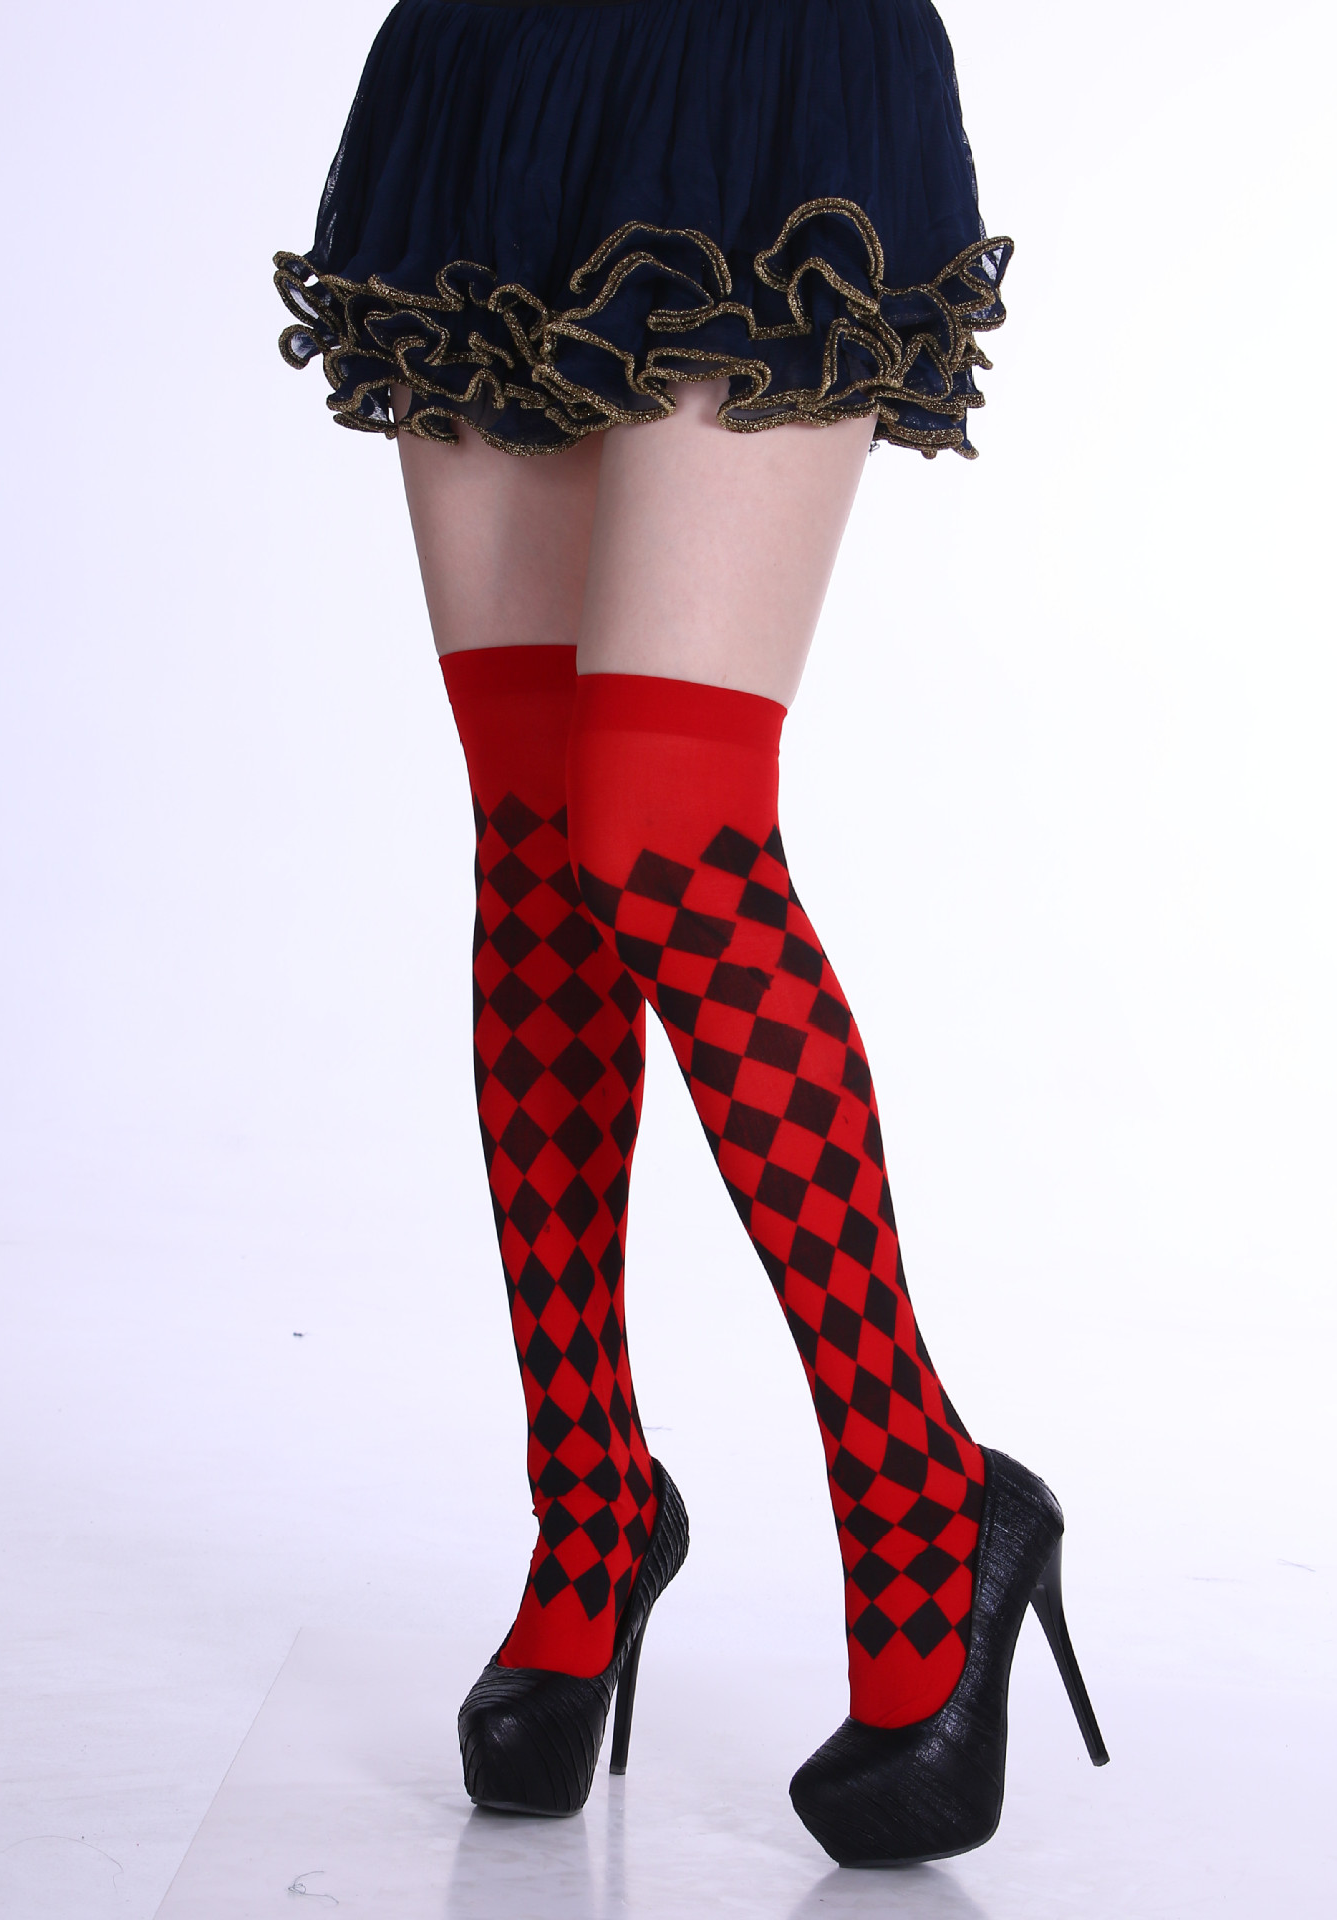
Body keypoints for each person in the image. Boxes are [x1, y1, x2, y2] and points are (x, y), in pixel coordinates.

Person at [274, 0, 1107, 1866]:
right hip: (493, 77)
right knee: (535, 839)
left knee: (663, 824)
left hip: (757, 79)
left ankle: (923, 1499)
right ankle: (588, 1505)